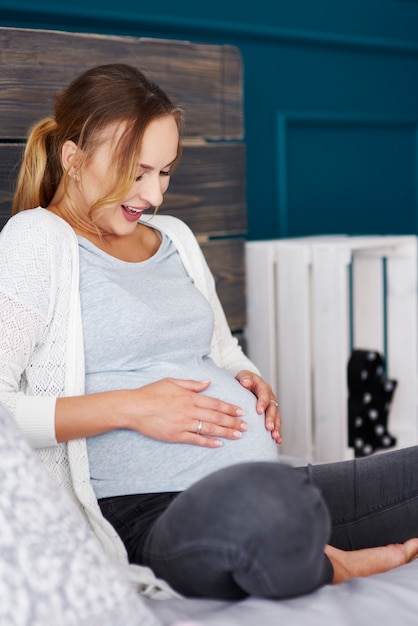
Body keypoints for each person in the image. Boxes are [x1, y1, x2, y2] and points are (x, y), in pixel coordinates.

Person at [1, 62, 418, 602]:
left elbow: (220, 348)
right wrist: (132, 407)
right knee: (268, 511)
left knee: (301, 496)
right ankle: (320, 559)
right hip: (148, 512)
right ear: (73, 158)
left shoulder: (173, 237)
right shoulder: (36, 242)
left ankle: (295, 541)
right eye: (136, 170)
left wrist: (247, 377)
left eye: (165, 172)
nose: (152, 194)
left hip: (258, 482)